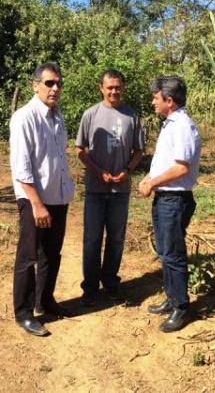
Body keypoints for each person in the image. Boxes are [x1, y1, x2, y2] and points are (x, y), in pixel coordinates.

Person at [9, 62, 75, 336]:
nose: (55, 88)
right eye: (49, 83)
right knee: (28, 256)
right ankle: (23, 313)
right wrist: (37, 204)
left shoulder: (57, 118)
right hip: (33, 199)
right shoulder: (24, 117)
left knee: (51, 253)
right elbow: (21, 167)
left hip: (57, 197)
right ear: (35, 85)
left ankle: (44, 301)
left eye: (59, 83)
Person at [75, 69, 144, 305]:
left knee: (116, 238)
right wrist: (99, 172)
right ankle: (90, 288)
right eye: (110, 87)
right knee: (92, 239)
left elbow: (139, 151)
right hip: (95, 189)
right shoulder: (90, 114)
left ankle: (111, 283)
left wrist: (127, 171)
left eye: (118, 87)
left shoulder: (132, 116)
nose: (114, 91)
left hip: (120, 191)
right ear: (101, 88)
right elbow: (79, 151)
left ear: (123, 88)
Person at [138, 76, 201, 333]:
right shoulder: (170, 124)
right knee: (165, 252)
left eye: (156, 97)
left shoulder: (182, 125)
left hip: (175, 199)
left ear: (169, 101)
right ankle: (172, 298)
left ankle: (181, 308)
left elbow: (181, 167)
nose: (153, 101)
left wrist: (153, 182)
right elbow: (167, 162)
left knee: (173, 255)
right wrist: (150, 178)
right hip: (165, 198)